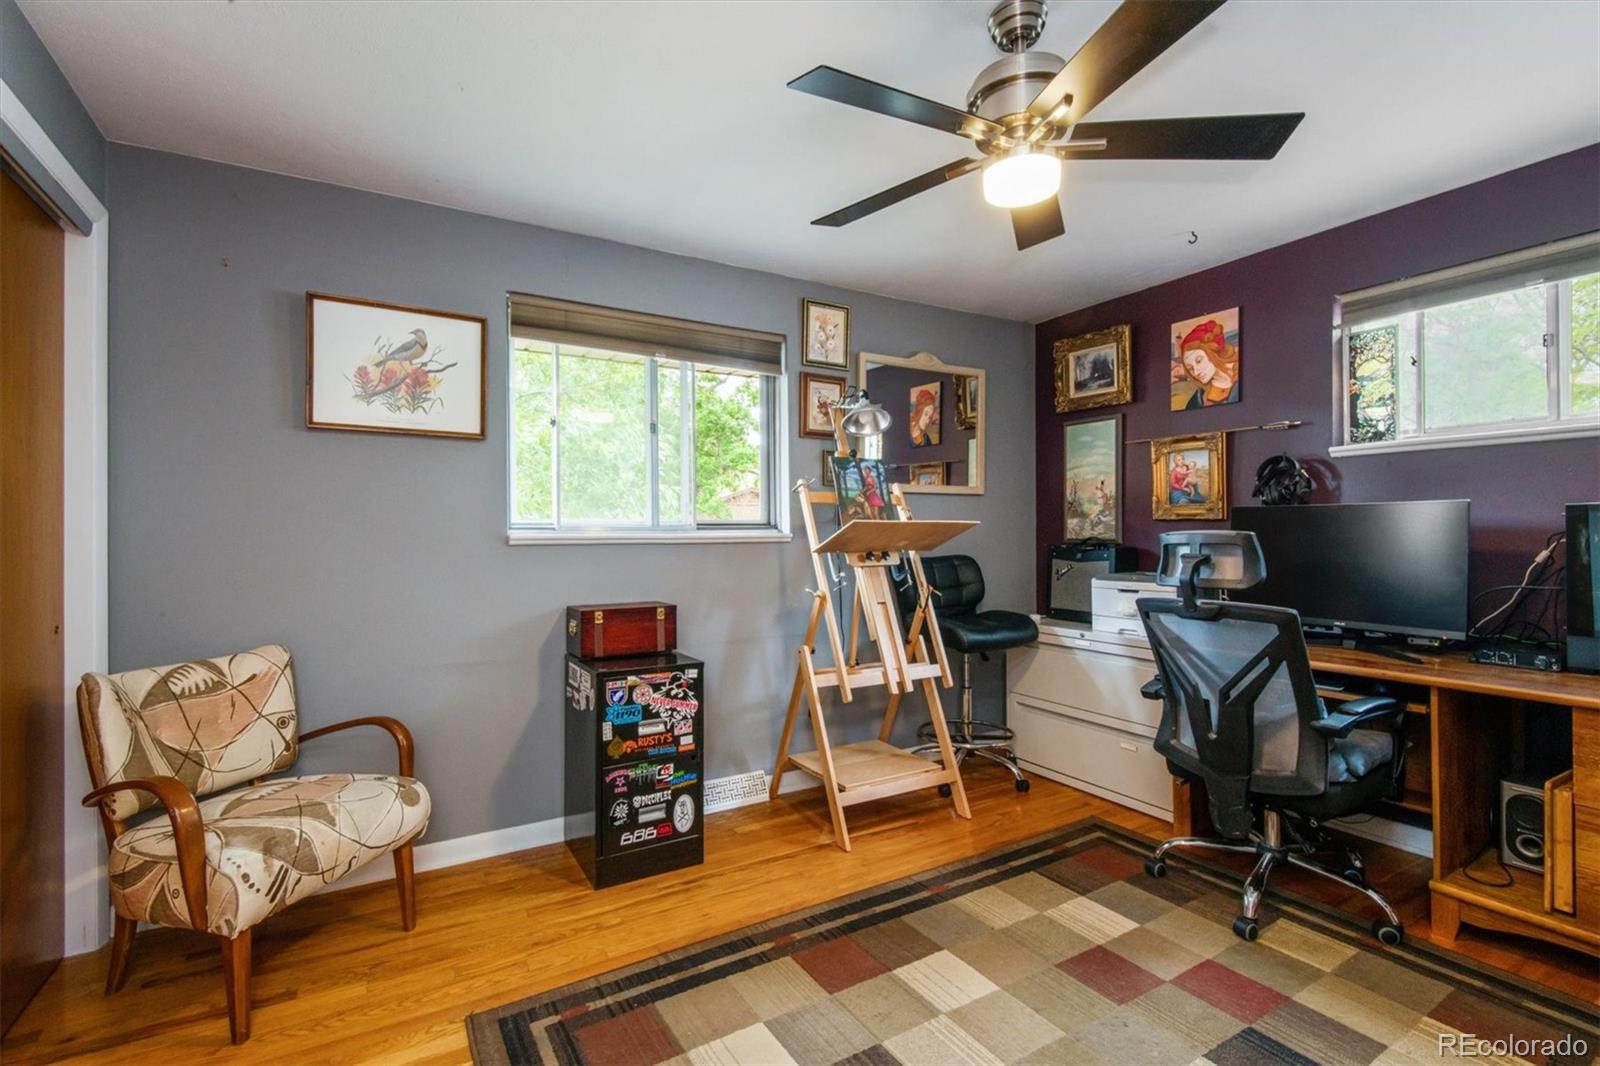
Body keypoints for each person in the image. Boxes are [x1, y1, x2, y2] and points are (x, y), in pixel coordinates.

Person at [1172, 319, 1240, 407]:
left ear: (1213, 353)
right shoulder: (1199, 398)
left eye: (1199, 361)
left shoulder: (1243, 380)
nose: (1196, 372)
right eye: (1190, 368)